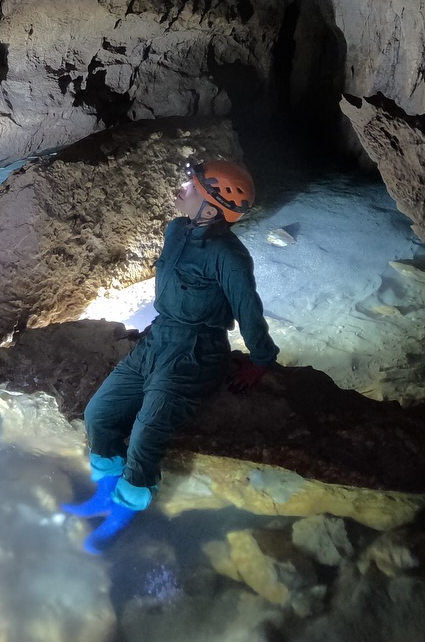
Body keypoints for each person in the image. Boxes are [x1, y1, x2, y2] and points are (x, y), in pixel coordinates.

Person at [64, 158, 276, 553]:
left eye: (190, 186)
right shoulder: (176, 229)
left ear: (210, 207)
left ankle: (127, 506)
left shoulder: (230, 257)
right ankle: (107, 491)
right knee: (98, 414)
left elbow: (249, 311)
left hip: (197, 351)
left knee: (147, 431)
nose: (181, 188)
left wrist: (260, 361)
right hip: (158, 337)